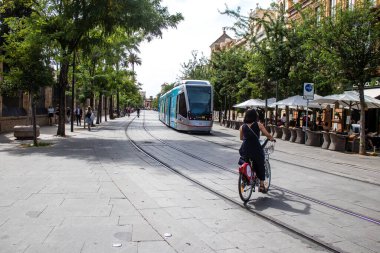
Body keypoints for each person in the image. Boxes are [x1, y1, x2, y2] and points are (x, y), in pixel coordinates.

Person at [239, 109, 275, 193]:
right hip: (255, 148)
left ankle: (245, 178)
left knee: (246, 161)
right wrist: (272, 138)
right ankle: (262, 186)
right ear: (255, 116)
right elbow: (267, 135)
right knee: (260, 164)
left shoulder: (242, 127)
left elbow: (241, 138)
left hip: (244, 149)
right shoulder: (259, 125)